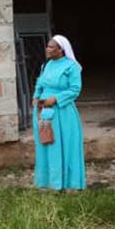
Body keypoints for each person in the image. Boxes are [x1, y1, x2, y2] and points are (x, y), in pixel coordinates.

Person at [33, 35, 86, 191]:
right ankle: (49, 183)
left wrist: (56, 98)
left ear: (61, 50)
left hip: (63, 114)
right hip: (44, 112)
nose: (47, 49)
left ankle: (67, 184)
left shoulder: (72, 67)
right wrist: (36, 97)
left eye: (51, 47)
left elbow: (75, 90)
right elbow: (40, 83)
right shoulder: (46, 65)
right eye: (47, 46)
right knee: (46, 145)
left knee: (63, 146)